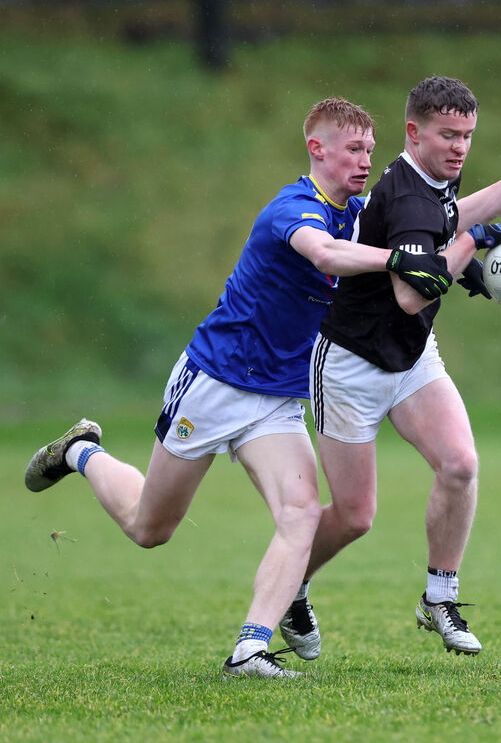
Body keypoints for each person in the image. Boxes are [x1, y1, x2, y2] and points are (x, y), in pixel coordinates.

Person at [24, 97, 457, 679]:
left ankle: (249, 650)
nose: (364, 161)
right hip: (215, 383)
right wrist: (404, 261)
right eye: (353, 149)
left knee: (301, 512)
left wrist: (477, 232)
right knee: (150, 527)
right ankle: (81, 450)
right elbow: (326, 252)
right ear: (317, 148)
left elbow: (440, 220)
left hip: (278, 398)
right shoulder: (292, 208)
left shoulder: (360, 212)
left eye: (370, 152)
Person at [281, 77, 501, 658]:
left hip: (412, 357)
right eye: (448, 135)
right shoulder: (405, 194)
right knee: (354, 516)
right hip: (350, 365)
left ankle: (439, 597)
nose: (459, 148)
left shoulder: (431, 181)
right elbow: (410, 294)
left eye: (468, 136)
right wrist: (472, 246)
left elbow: (449, 219)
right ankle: (292, 583)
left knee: (460, 464)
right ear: (412, 132)